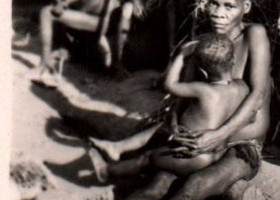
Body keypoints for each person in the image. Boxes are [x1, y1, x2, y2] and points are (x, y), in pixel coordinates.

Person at [86, 0, 271, 200]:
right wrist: (175, 125)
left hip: (241, 145)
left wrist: (218, 136)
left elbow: (256, 96)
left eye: (229, 6)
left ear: (245, 7)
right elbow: (182, 97)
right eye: (213, 2)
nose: (218, 13)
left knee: (194, 185)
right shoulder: (205, 42)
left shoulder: (254, 35)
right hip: (200, 142)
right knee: (160, 182)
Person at [89, 33, 249, 184]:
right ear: (233, 59)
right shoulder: (242, 88)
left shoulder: (202, 90)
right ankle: (117, 149)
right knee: (163, 130)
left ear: (203, 72)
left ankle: (106, 171)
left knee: (147, 159)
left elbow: (169, 84)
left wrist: (181, 55)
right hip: (214, 155)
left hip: (190, 156)